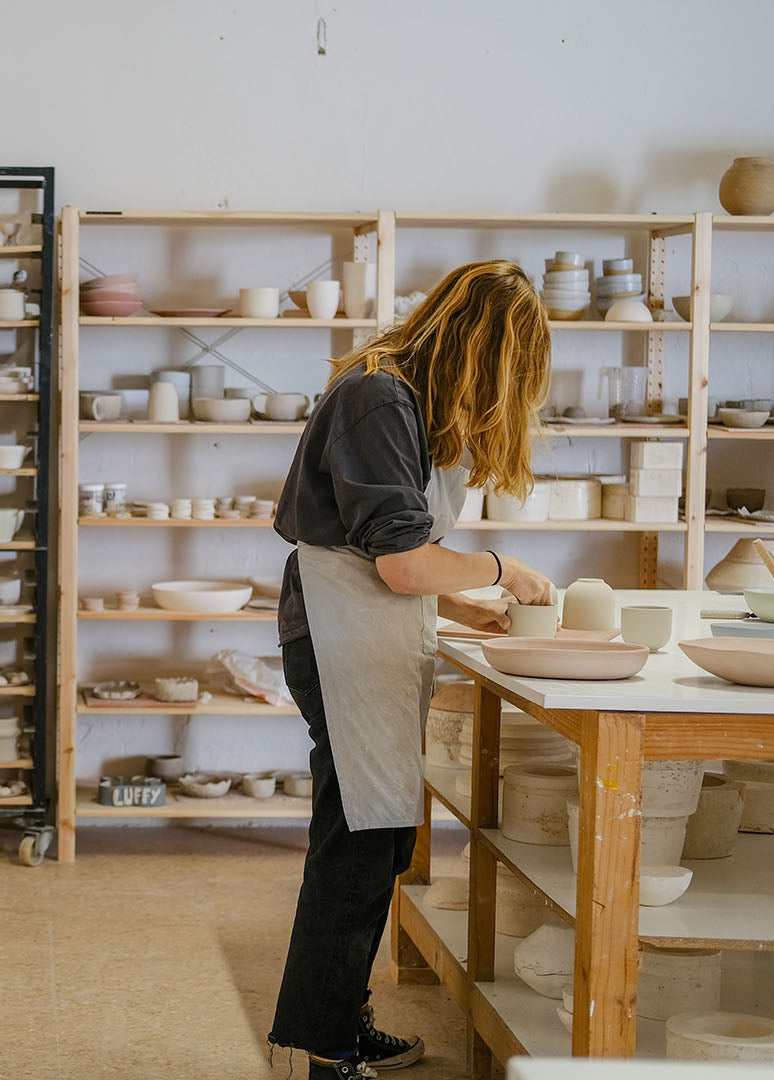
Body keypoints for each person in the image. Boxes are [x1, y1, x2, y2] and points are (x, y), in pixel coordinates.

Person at [267, 260, 556, 1080]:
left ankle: (339, 1025)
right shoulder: (377, 395)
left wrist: (464, 604)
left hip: (364, 624)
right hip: (337, 632)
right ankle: (325, 1049)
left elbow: (394, 555)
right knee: (358, 838)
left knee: (383, 833)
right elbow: (397, 565)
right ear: (480, 346)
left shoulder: (405, 397)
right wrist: (502, 570)